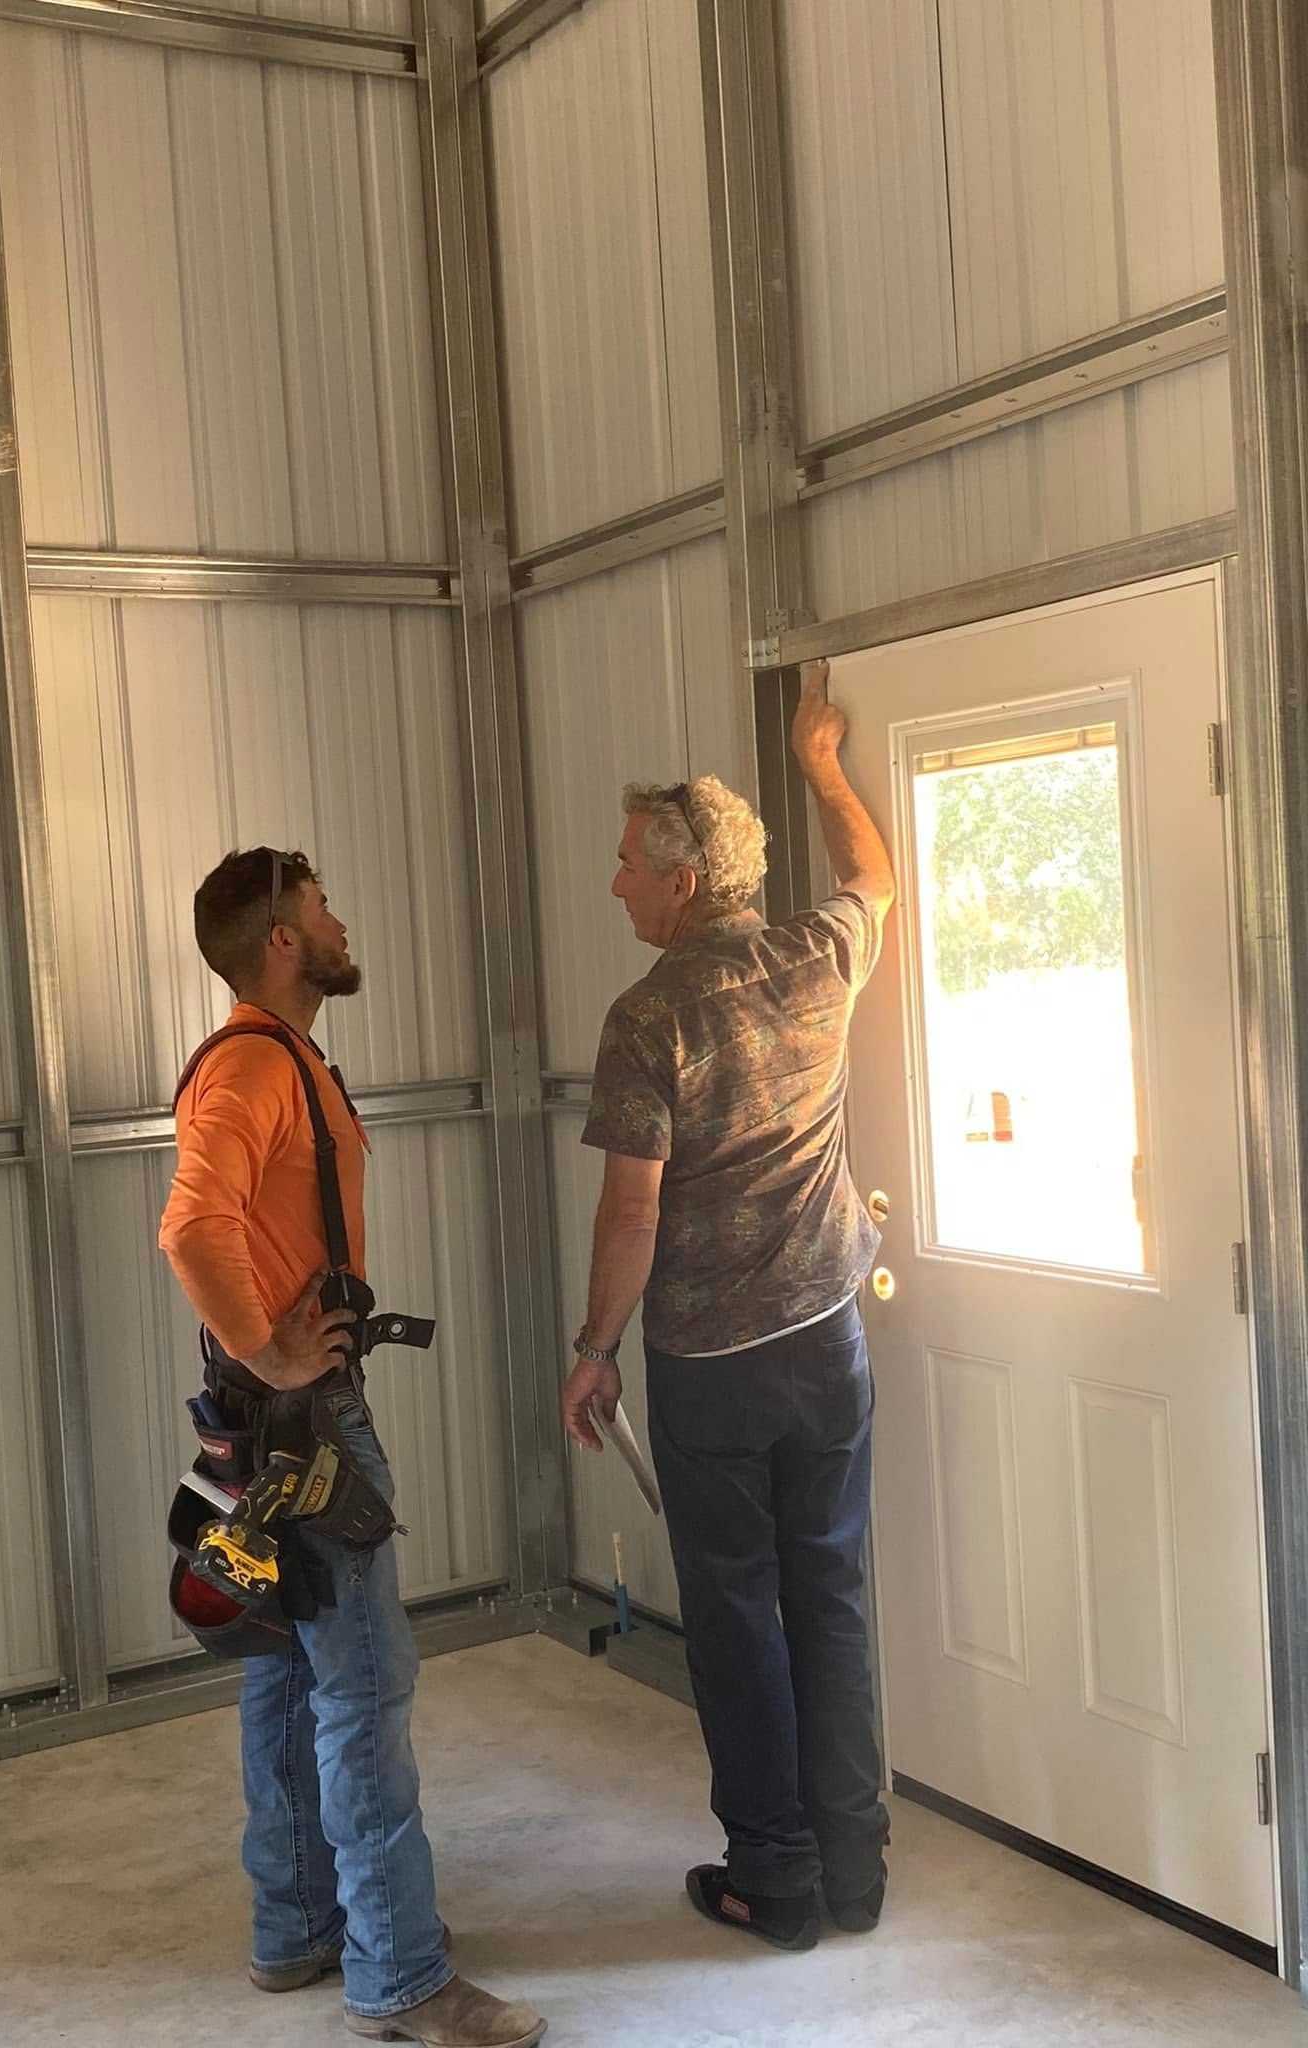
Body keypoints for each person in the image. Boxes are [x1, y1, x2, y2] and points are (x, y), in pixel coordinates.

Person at [159, 846, 545, 2048]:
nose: (338, 921)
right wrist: (276, 1353)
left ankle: (298, 1927)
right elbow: (190, 1224)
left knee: (282, 1670)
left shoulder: (273, 1057)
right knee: (364, 1692)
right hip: (306, 1423)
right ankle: (402, 1973)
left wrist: (257, 1359)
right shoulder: (257, 1067)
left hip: (257, 1427)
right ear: (283, 938)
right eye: (321, 907)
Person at [560, 661, 896, 1954]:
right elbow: (876, 876)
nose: (617, 884)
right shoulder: (818, 958)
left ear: (683, 880)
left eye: (631, 865)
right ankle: (857, 1871)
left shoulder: (649, 1016)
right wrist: (824, 771)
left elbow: (630, 1212)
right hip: (831, 1345)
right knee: (833, 1596)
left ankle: (779, 1881)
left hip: (714, 1373)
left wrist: (596, 1353)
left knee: (740, 1617)